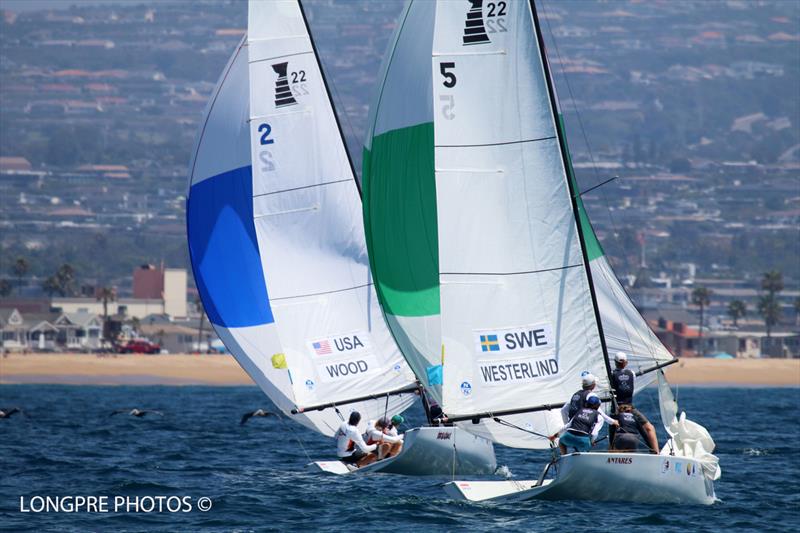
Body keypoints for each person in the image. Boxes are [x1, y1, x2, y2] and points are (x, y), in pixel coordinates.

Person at [550, 393, 619, 454]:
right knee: (585, 448)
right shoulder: (599, 416)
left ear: (586, 404)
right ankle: (582, 457)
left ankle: (564, 457)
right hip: (583, 441)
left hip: (568, 437)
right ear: (598, 406)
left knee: (561, 442)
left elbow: (567, 426)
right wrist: (591, 441)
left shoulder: (579, 411)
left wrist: (555, 436)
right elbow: (594, 433)